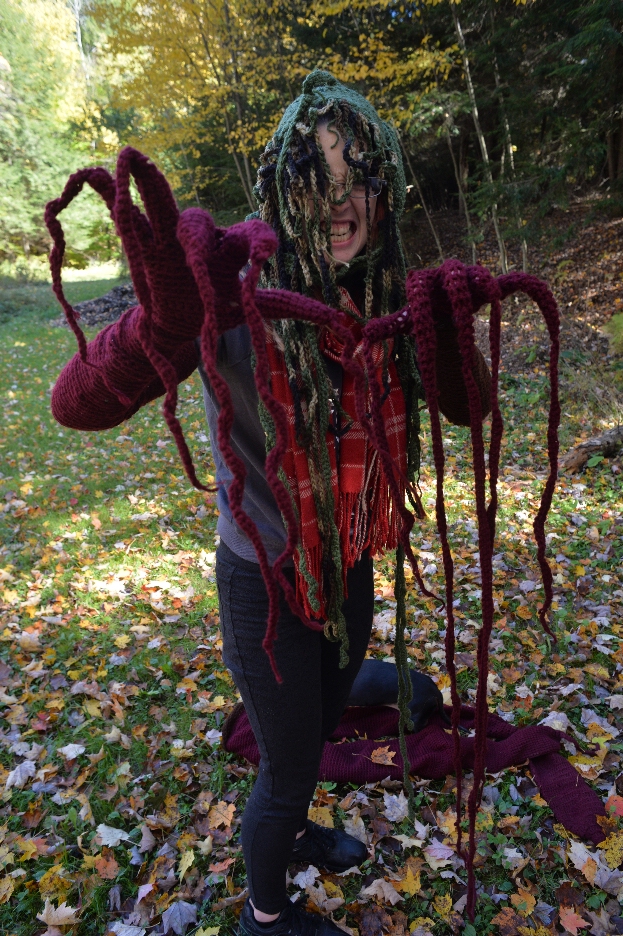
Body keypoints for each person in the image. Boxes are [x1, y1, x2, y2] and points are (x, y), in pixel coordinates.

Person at [50, 71, 491, 936]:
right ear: (280, 189)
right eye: (313, 176)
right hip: (264, 579)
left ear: (387, 187)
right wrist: (160, 328)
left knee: (317, 729)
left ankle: (292, 831)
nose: (338, 201)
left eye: (357, 175)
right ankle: (266, 911)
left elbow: (466, 407)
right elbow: (76, 405)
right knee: (286, 770)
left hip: (348, 556)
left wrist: (450, 336)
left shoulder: (390, 293)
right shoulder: (225, 284)